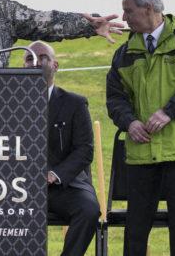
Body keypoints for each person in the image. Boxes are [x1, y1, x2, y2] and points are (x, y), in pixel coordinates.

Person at [106, 0, 175, 256]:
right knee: (135, 232)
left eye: (128, 11)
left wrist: (169, 111)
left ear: (148, 8)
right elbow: (115, 98)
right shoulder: (125, 52)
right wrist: (129, 122)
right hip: (141, 155)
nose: (124, 17)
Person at [23, 41, 101, 256]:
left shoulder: (75, 104)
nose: (36, 62)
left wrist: (54, 175)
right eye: (29, 58)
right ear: (23, 67)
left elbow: (85, 150)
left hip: (64, 187)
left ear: (55, 65)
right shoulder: (10, 106)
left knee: (89, 210)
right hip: (21, 188)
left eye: (43, 57)